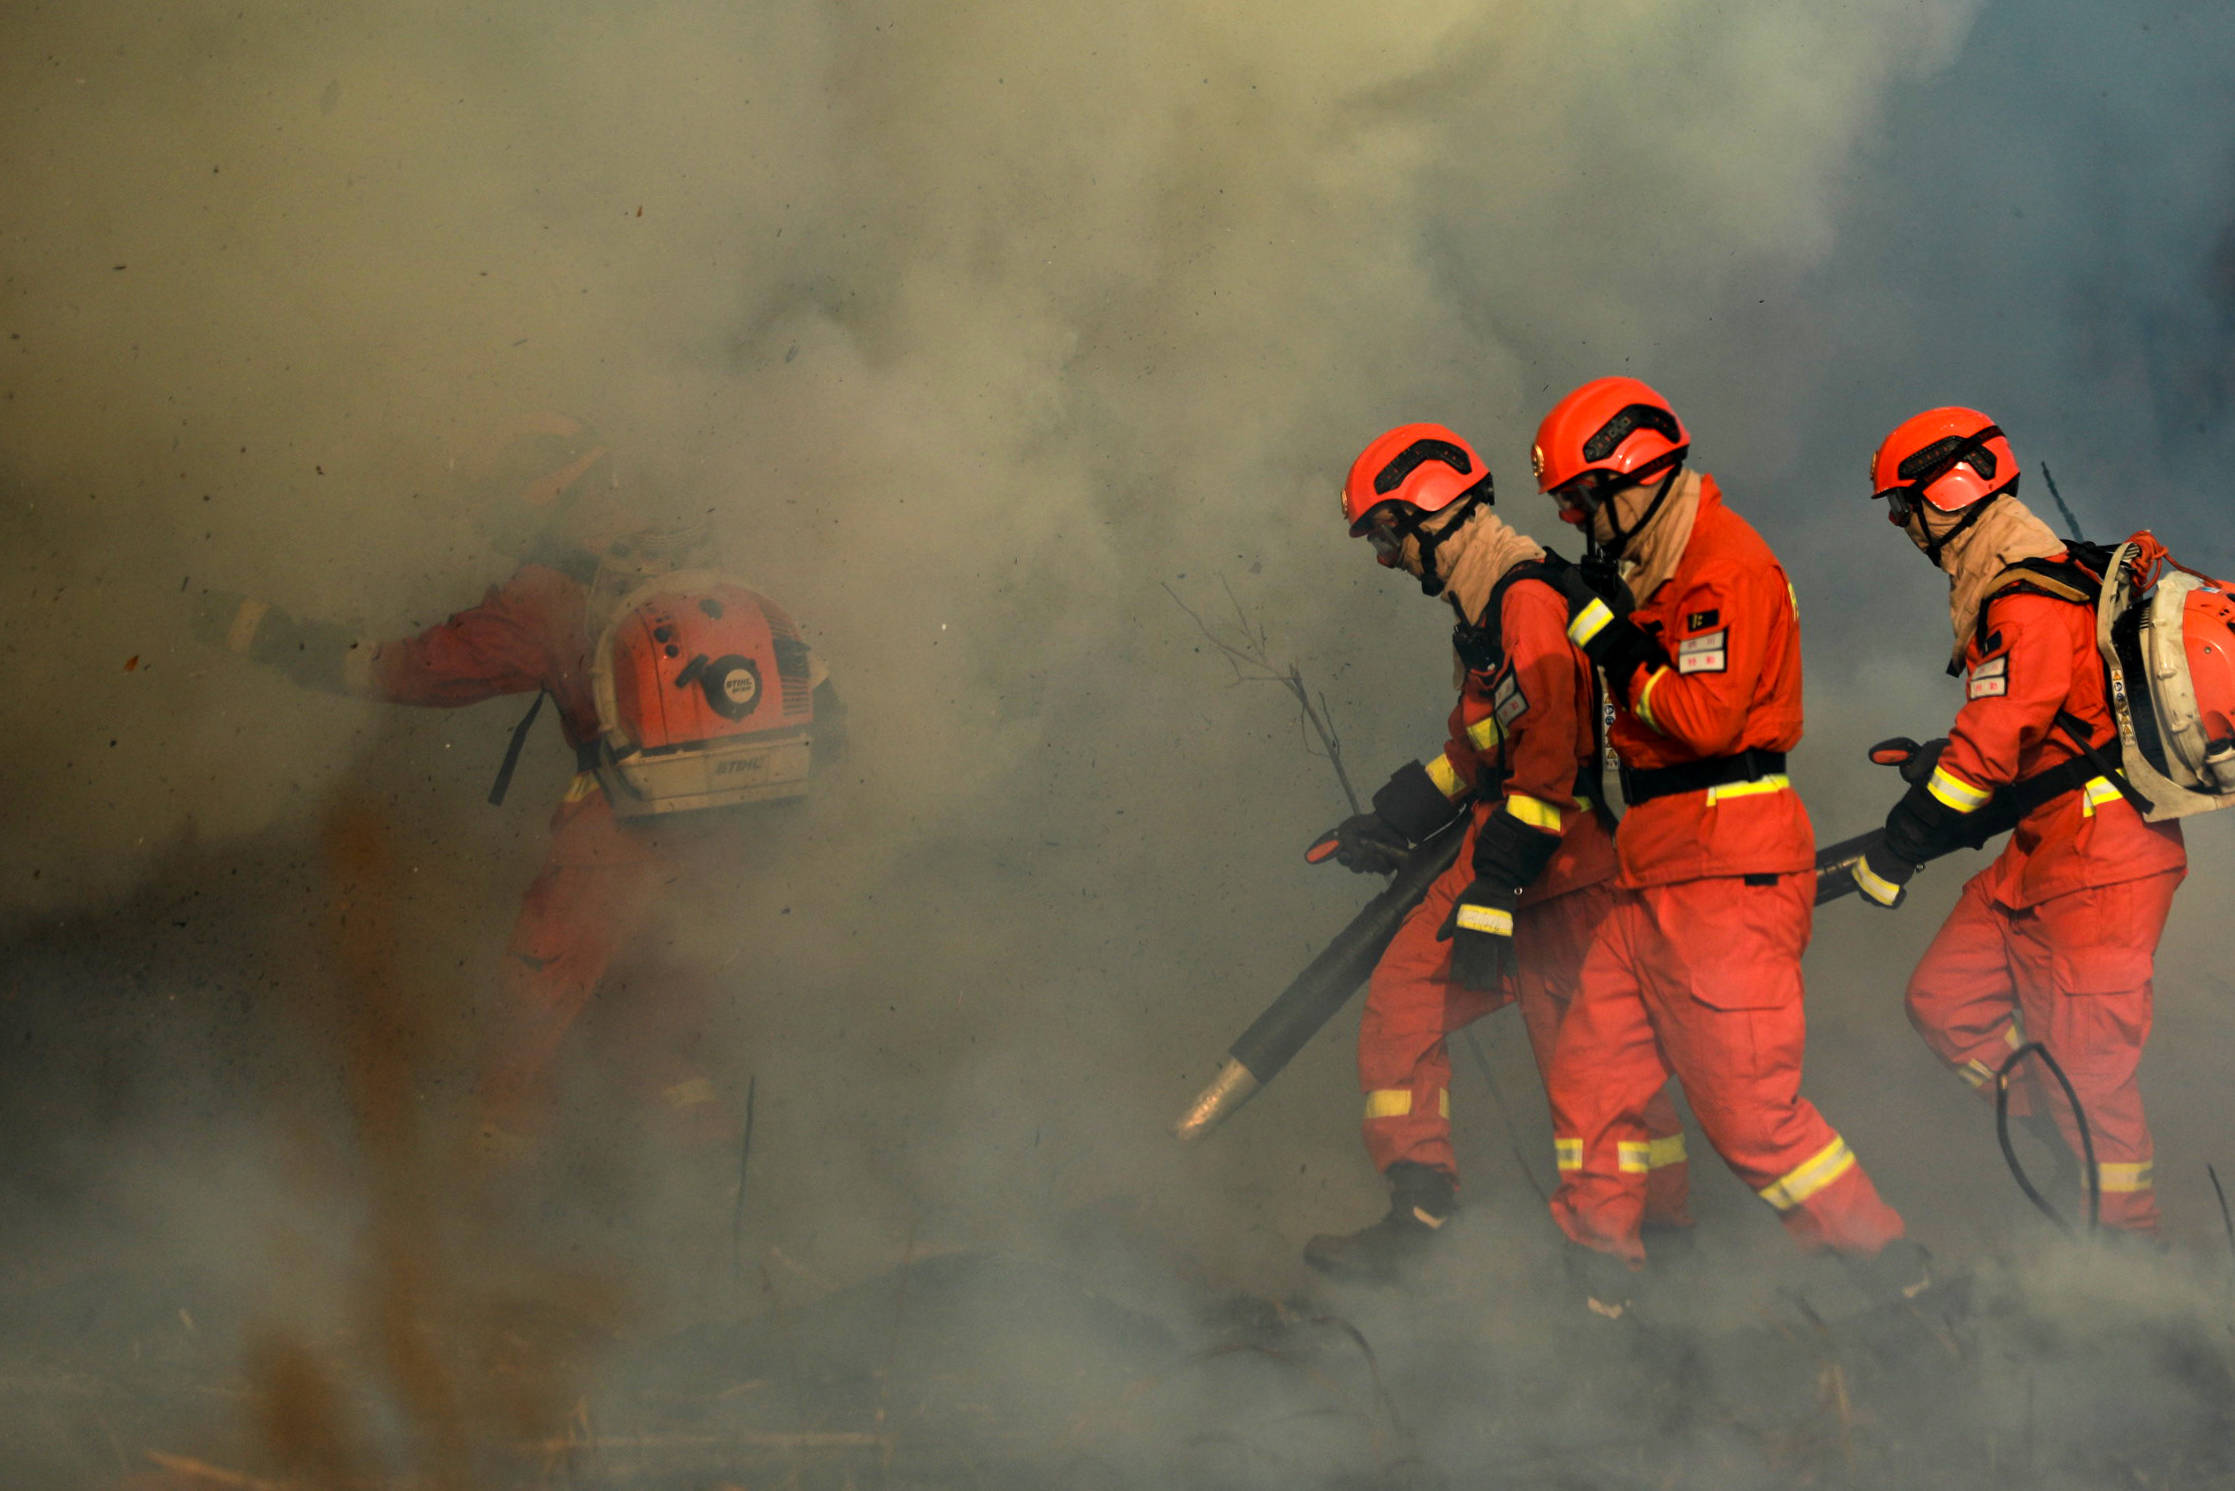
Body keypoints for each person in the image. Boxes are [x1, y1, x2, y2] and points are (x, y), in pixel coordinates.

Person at [191, 414, 843, 1154]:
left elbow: (401, 670)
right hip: (747, 829)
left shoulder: (539, 598)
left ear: (536, 494)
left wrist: (252, 630)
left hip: (616, 837)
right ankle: (722, 1198)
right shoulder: (699, 533)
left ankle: (471, 1207)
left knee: (523, 1036)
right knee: (655, 1032)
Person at [1529, 377, 1922, 1312]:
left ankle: (1894, 1284)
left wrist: (1601, 632)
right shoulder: (1663, 571)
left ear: (1636, 475)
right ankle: (1600, 1292)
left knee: (1751, 1115)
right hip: (1657, 865)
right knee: (1589, 1078)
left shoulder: (1722, 569)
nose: (1578, 521)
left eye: (1582, 500)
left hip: (1722, 868)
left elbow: (1704, 721)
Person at [1302, 422, 1690, 1283]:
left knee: (1590, 1068)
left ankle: (1662, 1249)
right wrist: (1392, 818)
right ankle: (1419, 1207)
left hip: (1560, 866)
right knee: (1406, 1003)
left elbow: (1550, 754)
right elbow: (1481, 749)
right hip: (1513, 852)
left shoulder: (1524, 600)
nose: (1384, 560)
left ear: (1430, 515)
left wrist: (1495, 884)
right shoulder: (1485, 612)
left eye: (1386, 536)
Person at [1851, 408, 2185, 1235]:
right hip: (2046, 848)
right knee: (1943, 999)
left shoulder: (2023, 592)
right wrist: (1952, 760)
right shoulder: (2026, 576)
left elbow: (1996, 739)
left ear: (1948, 489)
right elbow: (2034, 724)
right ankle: (2062, 1139)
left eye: (1903, 507)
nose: (1902, 527)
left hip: (2102, 866)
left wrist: (1901, 845)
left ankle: (2131, 1262)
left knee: (2093, 1082)